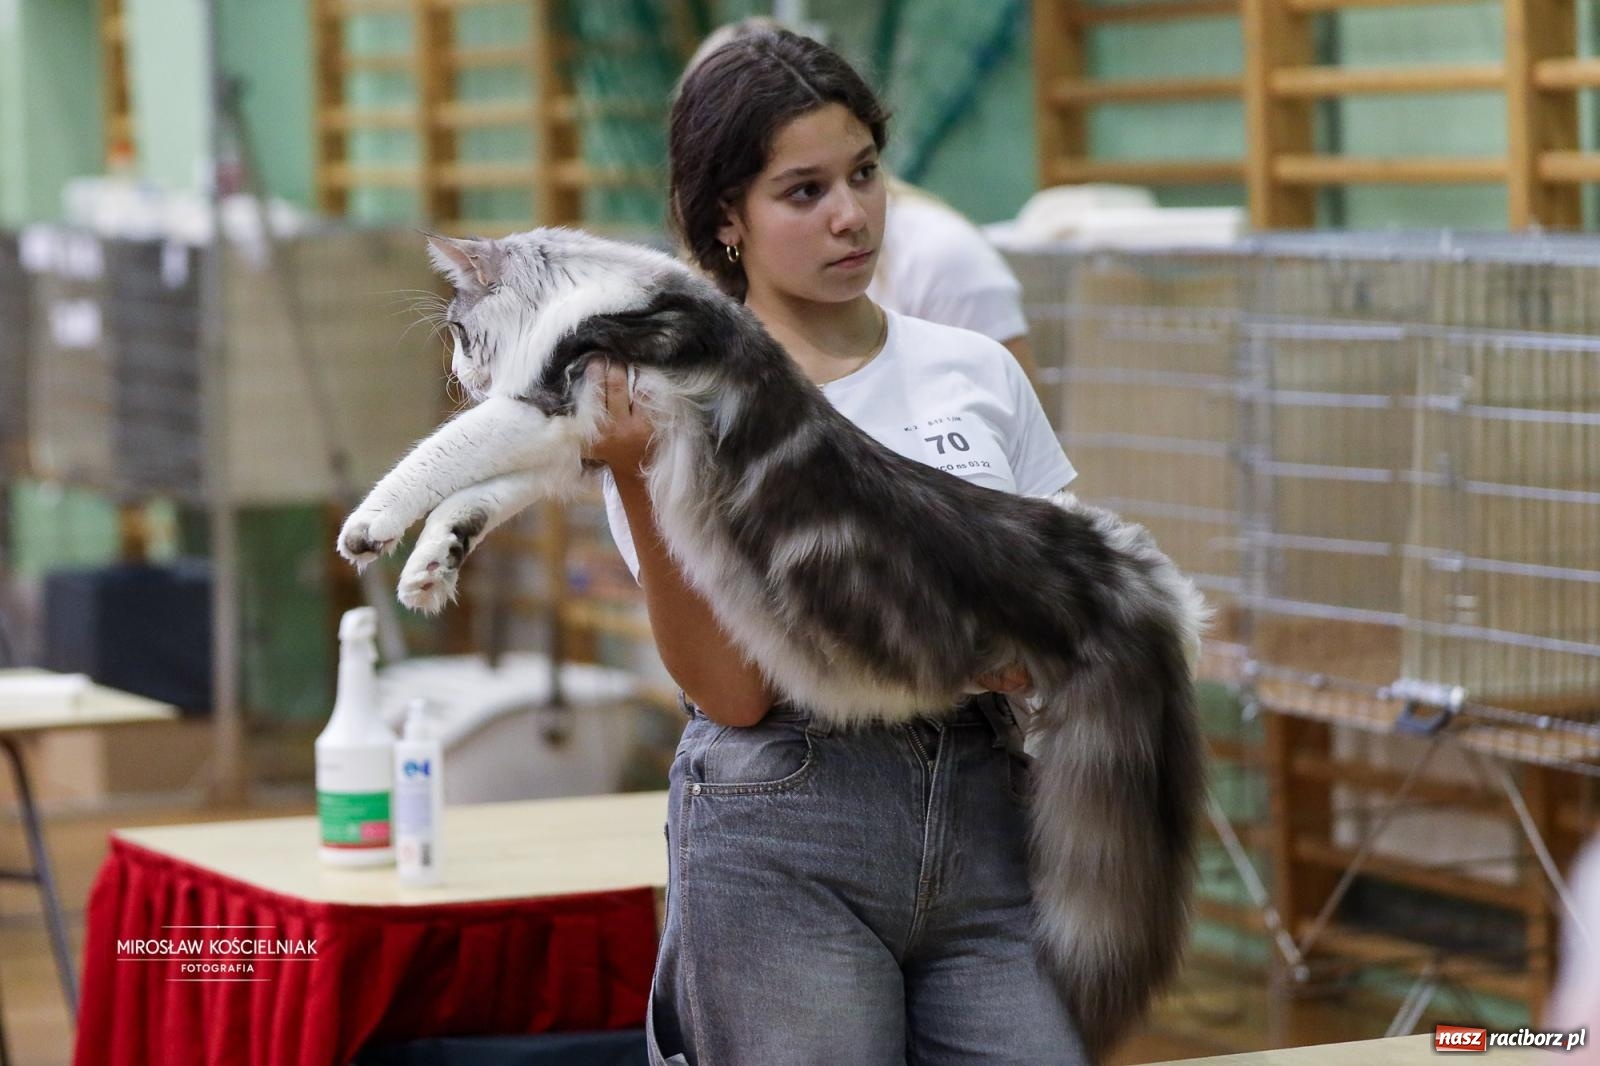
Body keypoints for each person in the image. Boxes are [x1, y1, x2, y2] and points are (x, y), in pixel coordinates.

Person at [585, 27, 1087, 1066]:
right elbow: (734, 693)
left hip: (990, 815)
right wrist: (636, 477)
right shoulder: (675, 407)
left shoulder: (974, 372)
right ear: (727, 217)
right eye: (803, 191)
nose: (851, 214)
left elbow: (1076, 609)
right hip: (784, 824)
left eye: (862, 174)